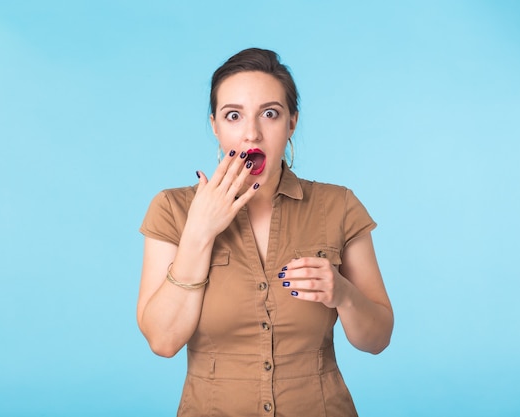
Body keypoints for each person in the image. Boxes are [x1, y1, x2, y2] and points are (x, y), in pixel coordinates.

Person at [137, 47, 393, 417]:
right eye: (234, 116)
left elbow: (378, 339)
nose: (251, 134)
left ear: (292, 123)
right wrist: (198, 234)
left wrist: (345, 294)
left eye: (269, 114)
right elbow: (162, 341)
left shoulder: (339, 206)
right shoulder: (172, 209)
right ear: (215, 125)